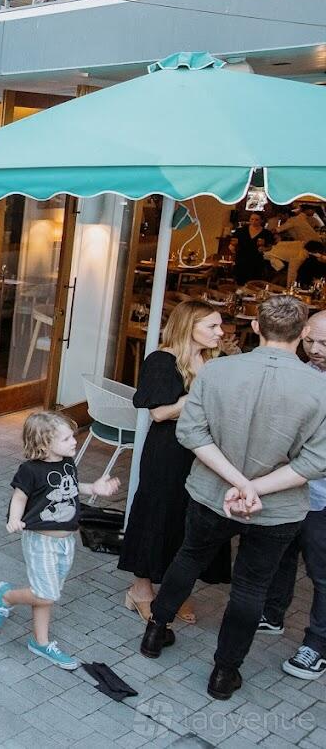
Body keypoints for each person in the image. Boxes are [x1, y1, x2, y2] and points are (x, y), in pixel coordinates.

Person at [140, 296, 326, 701]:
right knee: (251, 586)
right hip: (276, 507)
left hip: (212, 492)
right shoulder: (319, 387)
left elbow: (191, 432)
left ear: (257, 328)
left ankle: (155, 633)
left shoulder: (218, 370)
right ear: (304, 334)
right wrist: (254, 487)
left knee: (188, 557)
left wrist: (238, 482)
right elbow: (318, 459)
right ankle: (224, 673)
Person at [118, 300, 230, 624]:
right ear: (189, 326)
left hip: (204, 452)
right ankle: (140, 590)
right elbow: (159, 412)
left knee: (188, 520)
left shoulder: (212, 361)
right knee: (156, 516)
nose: (219, 332)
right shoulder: (162, 361)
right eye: (212, 326)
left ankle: (173, 590)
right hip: (168, 452)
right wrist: (202, 392)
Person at [0, 412, 120, 670]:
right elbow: (19, 498)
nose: (74, 442)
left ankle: (40, 641)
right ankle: (7, 597)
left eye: (73, 436)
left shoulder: (67, 463)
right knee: (45, 593)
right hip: (41, 541)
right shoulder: (30, 470)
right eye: (67, 438)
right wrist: (14, 519)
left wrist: (94, 488)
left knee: (47, 593)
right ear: (45, 443)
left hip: (66, 542)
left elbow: (71, 488)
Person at [260, 310, 326, 680]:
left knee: (322, 574)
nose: (315, 350)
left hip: (323, 494)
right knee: (282, 554)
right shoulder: (299, 372)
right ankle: (272, 614)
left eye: (324, 344)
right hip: (289, 486)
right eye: (309, 341)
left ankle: (317, 645)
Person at [231, 213, 274, 284]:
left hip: (256, 260)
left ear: (261, 221)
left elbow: (270, 246)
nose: (254, 221)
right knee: (240, 281)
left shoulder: (266, 233)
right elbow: (233, 242)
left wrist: (265, 248)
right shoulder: (241, 230)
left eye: (257, 220)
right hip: (241, 260)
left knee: (253, 282)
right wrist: (232, 247)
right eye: (252, 219)